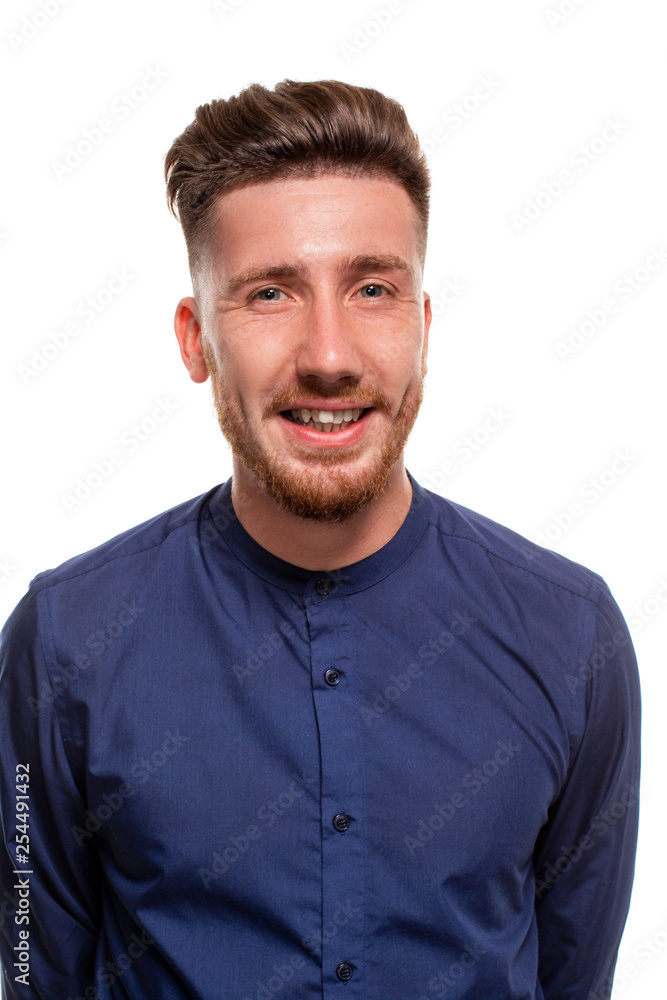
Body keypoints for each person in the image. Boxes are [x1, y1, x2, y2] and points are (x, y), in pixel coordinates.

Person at [0, 79, 640, 1000]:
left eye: (372, 287)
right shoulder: (64, 641)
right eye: (269, 293)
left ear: (422, 329)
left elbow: (575, 976)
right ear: (195, 341)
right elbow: (36, 971)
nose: (329, 355)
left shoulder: (570, 636)